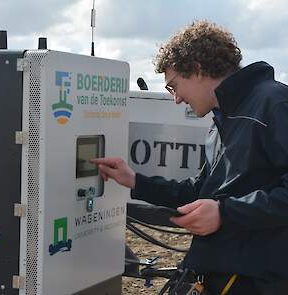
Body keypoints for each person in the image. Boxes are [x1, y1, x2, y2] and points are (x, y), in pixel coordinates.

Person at [91, 20, 288, 294]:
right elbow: (200, 192)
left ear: (196, 69)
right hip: (221, 273)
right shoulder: (222, 119)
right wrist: (135, 181)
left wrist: (224, 213)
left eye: (174, 86)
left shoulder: (273, 103)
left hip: (258, 280)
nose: (176, 99)